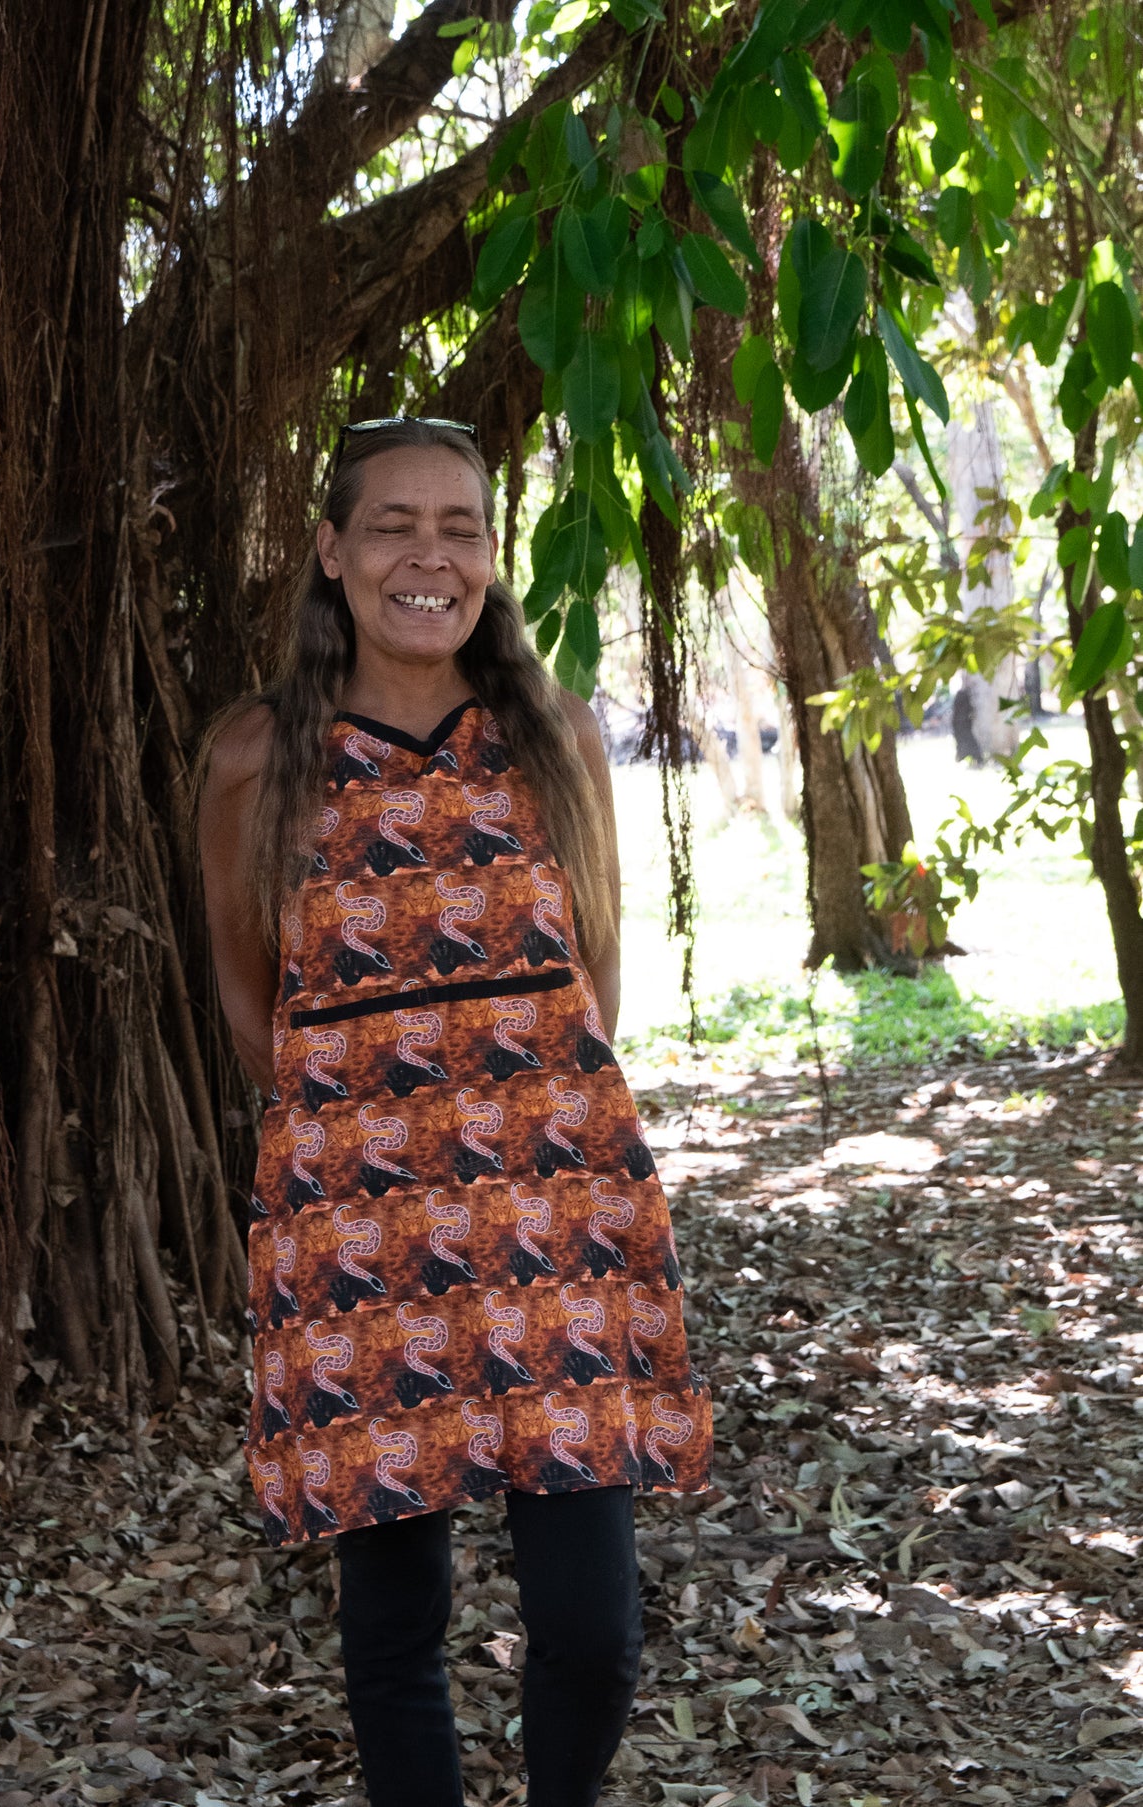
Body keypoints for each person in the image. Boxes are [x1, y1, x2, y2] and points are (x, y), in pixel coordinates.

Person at [197, 418, 712, 1807]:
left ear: (490, 555)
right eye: (391, 525)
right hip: (360, 1221)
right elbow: (257, 1013)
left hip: (554, 1217)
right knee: (392, 1624)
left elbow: (591, 983)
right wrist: (370, 1134)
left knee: (593, 1630)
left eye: (459, 529)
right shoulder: (256, 761)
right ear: (329, 551)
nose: (429, 556)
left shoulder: (549, 745)